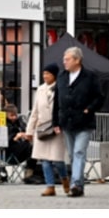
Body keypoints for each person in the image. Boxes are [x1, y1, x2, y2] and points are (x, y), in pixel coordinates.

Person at [51, 47, 104, 197]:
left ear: (77, 60)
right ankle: (79, 186)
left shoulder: (90, 77)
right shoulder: (61, 76)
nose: (64, 62)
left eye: (67, 59)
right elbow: (56, 101)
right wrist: (55, 122)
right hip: (66, 121)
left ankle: (74, 183)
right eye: (64, 59)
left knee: (79, 151)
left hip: (84, 122)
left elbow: (99, 97)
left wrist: (89, 109)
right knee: (73, 155)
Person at [17, 63, 68, 197]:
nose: (45, 76)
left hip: (56, 129)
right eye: (44, 73)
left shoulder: (62, 88)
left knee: (58, 160)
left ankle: (64, 178)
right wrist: (29, 131)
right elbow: (34, 111)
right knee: (44, 159)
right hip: (42, 128)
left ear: (55, 75)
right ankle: (50, 186)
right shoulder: (40, 90)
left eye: (48, 74)